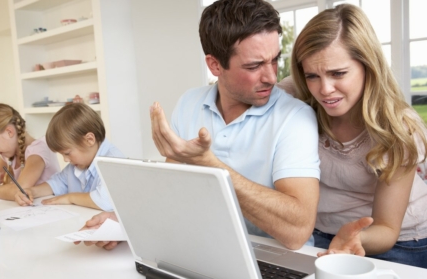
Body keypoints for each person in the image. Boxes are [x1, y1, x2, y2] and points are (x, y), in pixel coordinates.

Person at [148, 0, 321, 250]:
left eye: (274, 60)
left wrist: (211, 165)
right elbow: (172, 193)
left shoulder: (295, 118)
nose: (272, 76)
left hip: (274, 256)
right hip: (205, 246)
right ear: (215, 65)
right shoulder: (188, 103)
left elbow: (297, 231)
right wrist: (121, 219)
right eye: (254, 66)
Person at [290, 4, 427, 268]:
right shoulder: (297, 97)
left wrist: (352, 239)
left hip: (401, 244)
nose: (325, 89)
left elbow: (387, 228)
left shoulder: (398, 128)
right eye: (312, 76)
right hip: (322, 237)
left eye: (338, 73)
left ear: (367, 65)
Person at [14, 103, 125, 210]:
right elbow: (56, 183)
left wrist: (70, 198)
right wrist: (32, 191)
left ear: (89, 140)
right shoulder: (76, 166)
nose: (65, 159)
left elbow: (105, 200)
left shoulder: (114, 162)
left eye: (67, 153)